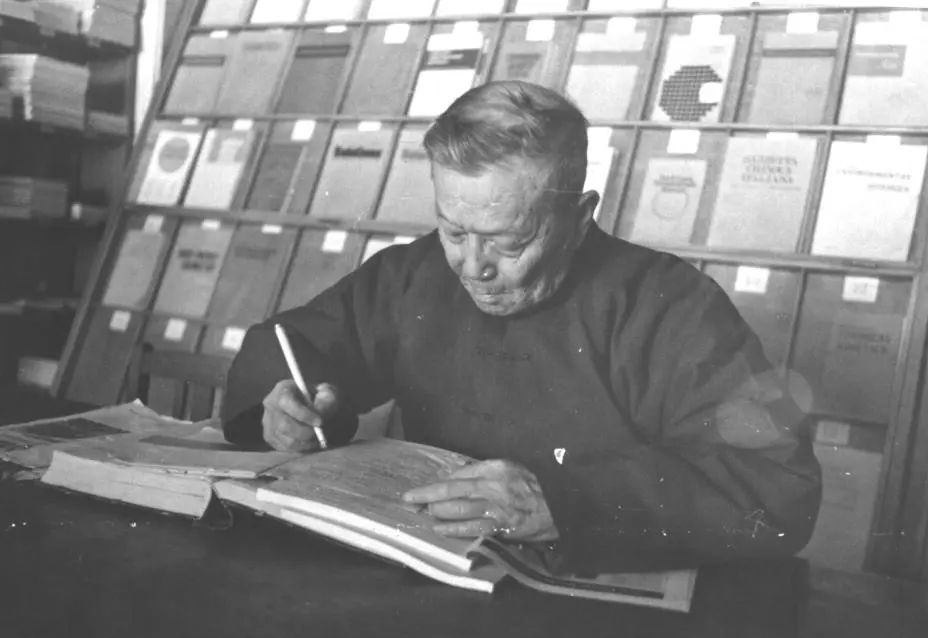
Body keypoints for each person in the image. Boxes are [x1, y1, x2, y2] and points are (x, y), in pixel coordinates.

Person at [221, 80, 821, 574]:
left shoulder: (672, 304)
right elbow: (292, 346)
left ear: (579, 218)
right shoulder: (414, 273)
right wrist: (293, 408)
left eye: (509, 241)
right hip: (435, 577)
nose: (472, 266)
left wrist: (567, 503)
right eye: (454, 231)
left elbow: (774, 486)